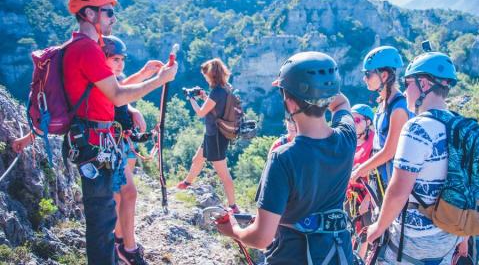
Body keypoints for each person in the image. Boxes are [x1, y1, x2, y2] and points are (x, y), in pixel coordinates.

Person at [63, 0, 178, 265]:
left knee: (104, 216)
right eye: (109, 12)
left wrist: (143, 80)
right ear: (89, 13)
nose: (114, 18)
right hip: (95, 143)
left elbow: (108, 92)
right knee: (103, 219)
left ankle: (119, 254)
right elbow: (116, 94)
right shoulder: (88, 50)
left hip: (94, 140)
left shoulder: (82, 47)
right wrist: (160, 80)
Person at [216, 51, 356, 264]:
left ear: (290, 105)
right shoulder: (347, 137)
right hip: (336, 254)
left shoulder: (283, 158)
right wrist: (304, 88)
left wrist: (233, 229)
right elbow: (341, 103)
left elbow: (262, 238)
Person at [366, 52, 463, 264]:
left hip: (414, 238)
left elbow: (399, 190)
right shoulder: (460, 124)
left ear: (424, 84)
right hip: (449, 235)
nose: (405, 89)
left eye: (408, 83)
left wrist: (378, 227)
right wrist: (464, 236)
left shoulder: (417, 128)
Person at [102, 35, 162, 265]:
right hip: (111, 143)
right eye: (114, 59)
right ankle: (126, 246)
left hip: (122, 142)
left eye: (122, 59)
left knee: (124, 194)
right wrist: (147, 75)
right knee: (124, 194)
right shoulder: (102, 79)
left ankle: (122, 240)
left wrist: (132, 109)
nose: (120, 64)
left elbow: (121, 95)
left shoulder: (116, 78)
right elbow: (113, 92)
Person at [176, 58, 239, 213]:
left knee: (223, 174)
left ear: (212, 75)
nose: (205, 78)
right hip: (213, 134)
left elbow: (201, 112)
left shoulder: (217, 91)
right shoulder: (225, 88)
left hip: (216, 137)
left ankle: (233, 206)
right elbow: (216, 108)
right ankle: (187, 183)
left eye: (206, 75)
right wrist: (205, 98)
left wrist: (191, 98)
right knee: (197, 159)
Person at [350, 46, 410, 201]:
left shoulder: (398, 109)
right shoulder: (384, 104)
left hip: (395, 186)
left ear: (384, 76)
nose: (364, 79)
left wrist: (361, 170)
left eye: (368, 74)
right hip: (382, 182)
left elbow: (389, 151)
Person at [346, 104, 375, 259]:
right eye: (352, 119)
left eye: (357, 119)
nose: (353, 123)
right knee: (349, 228)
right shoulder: (349, 140)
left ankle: (360, 260)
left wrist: (367, 200)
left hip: (367, 194)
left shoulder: (374, 143)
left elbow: (376, 175)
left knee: (364, 232)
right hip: (350, 194)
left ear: (368, 122)